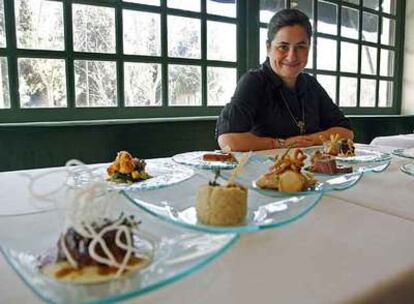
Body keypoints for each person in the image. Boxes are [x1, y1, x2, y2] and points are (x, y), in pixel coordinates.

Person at [216, 8, 353, 152]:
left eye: (300, 47)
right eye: (283, 47)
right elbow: (228, 140)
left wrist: (309, 140)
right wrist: (282, 144)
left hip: (310, 169)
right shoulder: (254, 82)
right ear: (268, 48)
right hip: (262, 171)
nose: (292, 56)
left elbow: (346, 132)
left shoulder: (311, 84)